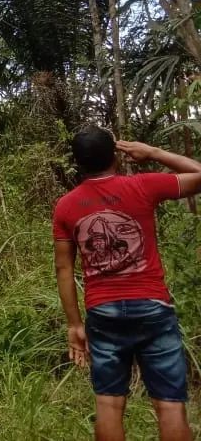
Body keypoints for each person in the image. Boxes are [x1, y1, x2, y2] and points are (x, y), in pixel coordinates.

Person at [53, 128, 198, 441]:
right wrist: (154, 153)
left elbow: (63, 267)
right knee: (170, 406)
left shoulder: (65, 206)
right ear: (116, 155)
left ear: (78, 163)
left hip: (103, 312)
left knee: (108, 404)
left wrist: (74, 325)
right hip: (153, 306)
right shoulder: (143, 185)